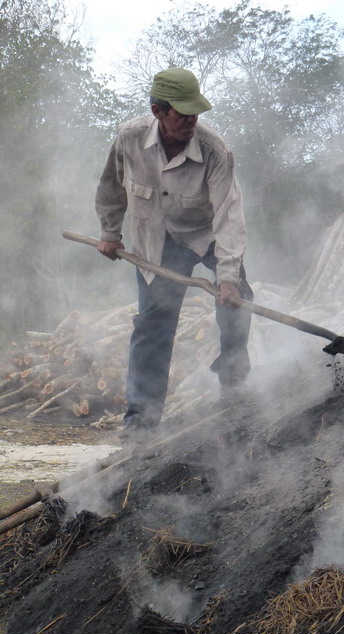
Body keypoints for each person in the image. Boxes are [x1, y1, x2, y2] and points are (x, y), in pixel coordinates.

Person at [95, 67, 253, 434]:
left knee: (238, 299)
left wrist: (227, 277)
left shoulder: (215, 151)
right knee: (153, 325)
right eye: (182, 113)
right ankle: (141, 424)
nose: (191, 120)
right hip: (157, 240)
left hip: (207, 233)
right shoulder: (129, 139)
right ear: (158, 111)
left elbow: (229, 216)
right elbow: (111, 187)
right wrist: (110, 232)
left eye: (195, 112)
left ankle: (234, 386)